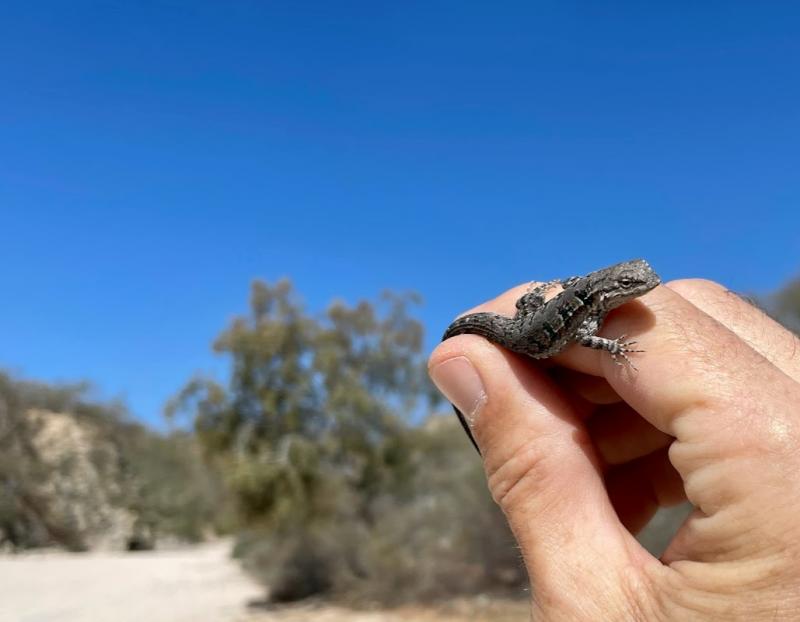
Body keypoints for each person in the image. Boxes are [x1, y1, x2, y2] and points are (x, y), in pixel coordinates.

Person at [428, 278, 800, 620]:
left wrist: (536, 301)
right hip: (527, 341)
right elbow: (587, 338)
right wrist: (612, 346)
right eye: (629, 283)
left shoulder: (587, 294)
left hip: (531, 322)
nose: (644, 284)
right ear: (606, 293)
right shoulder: (588, 312)